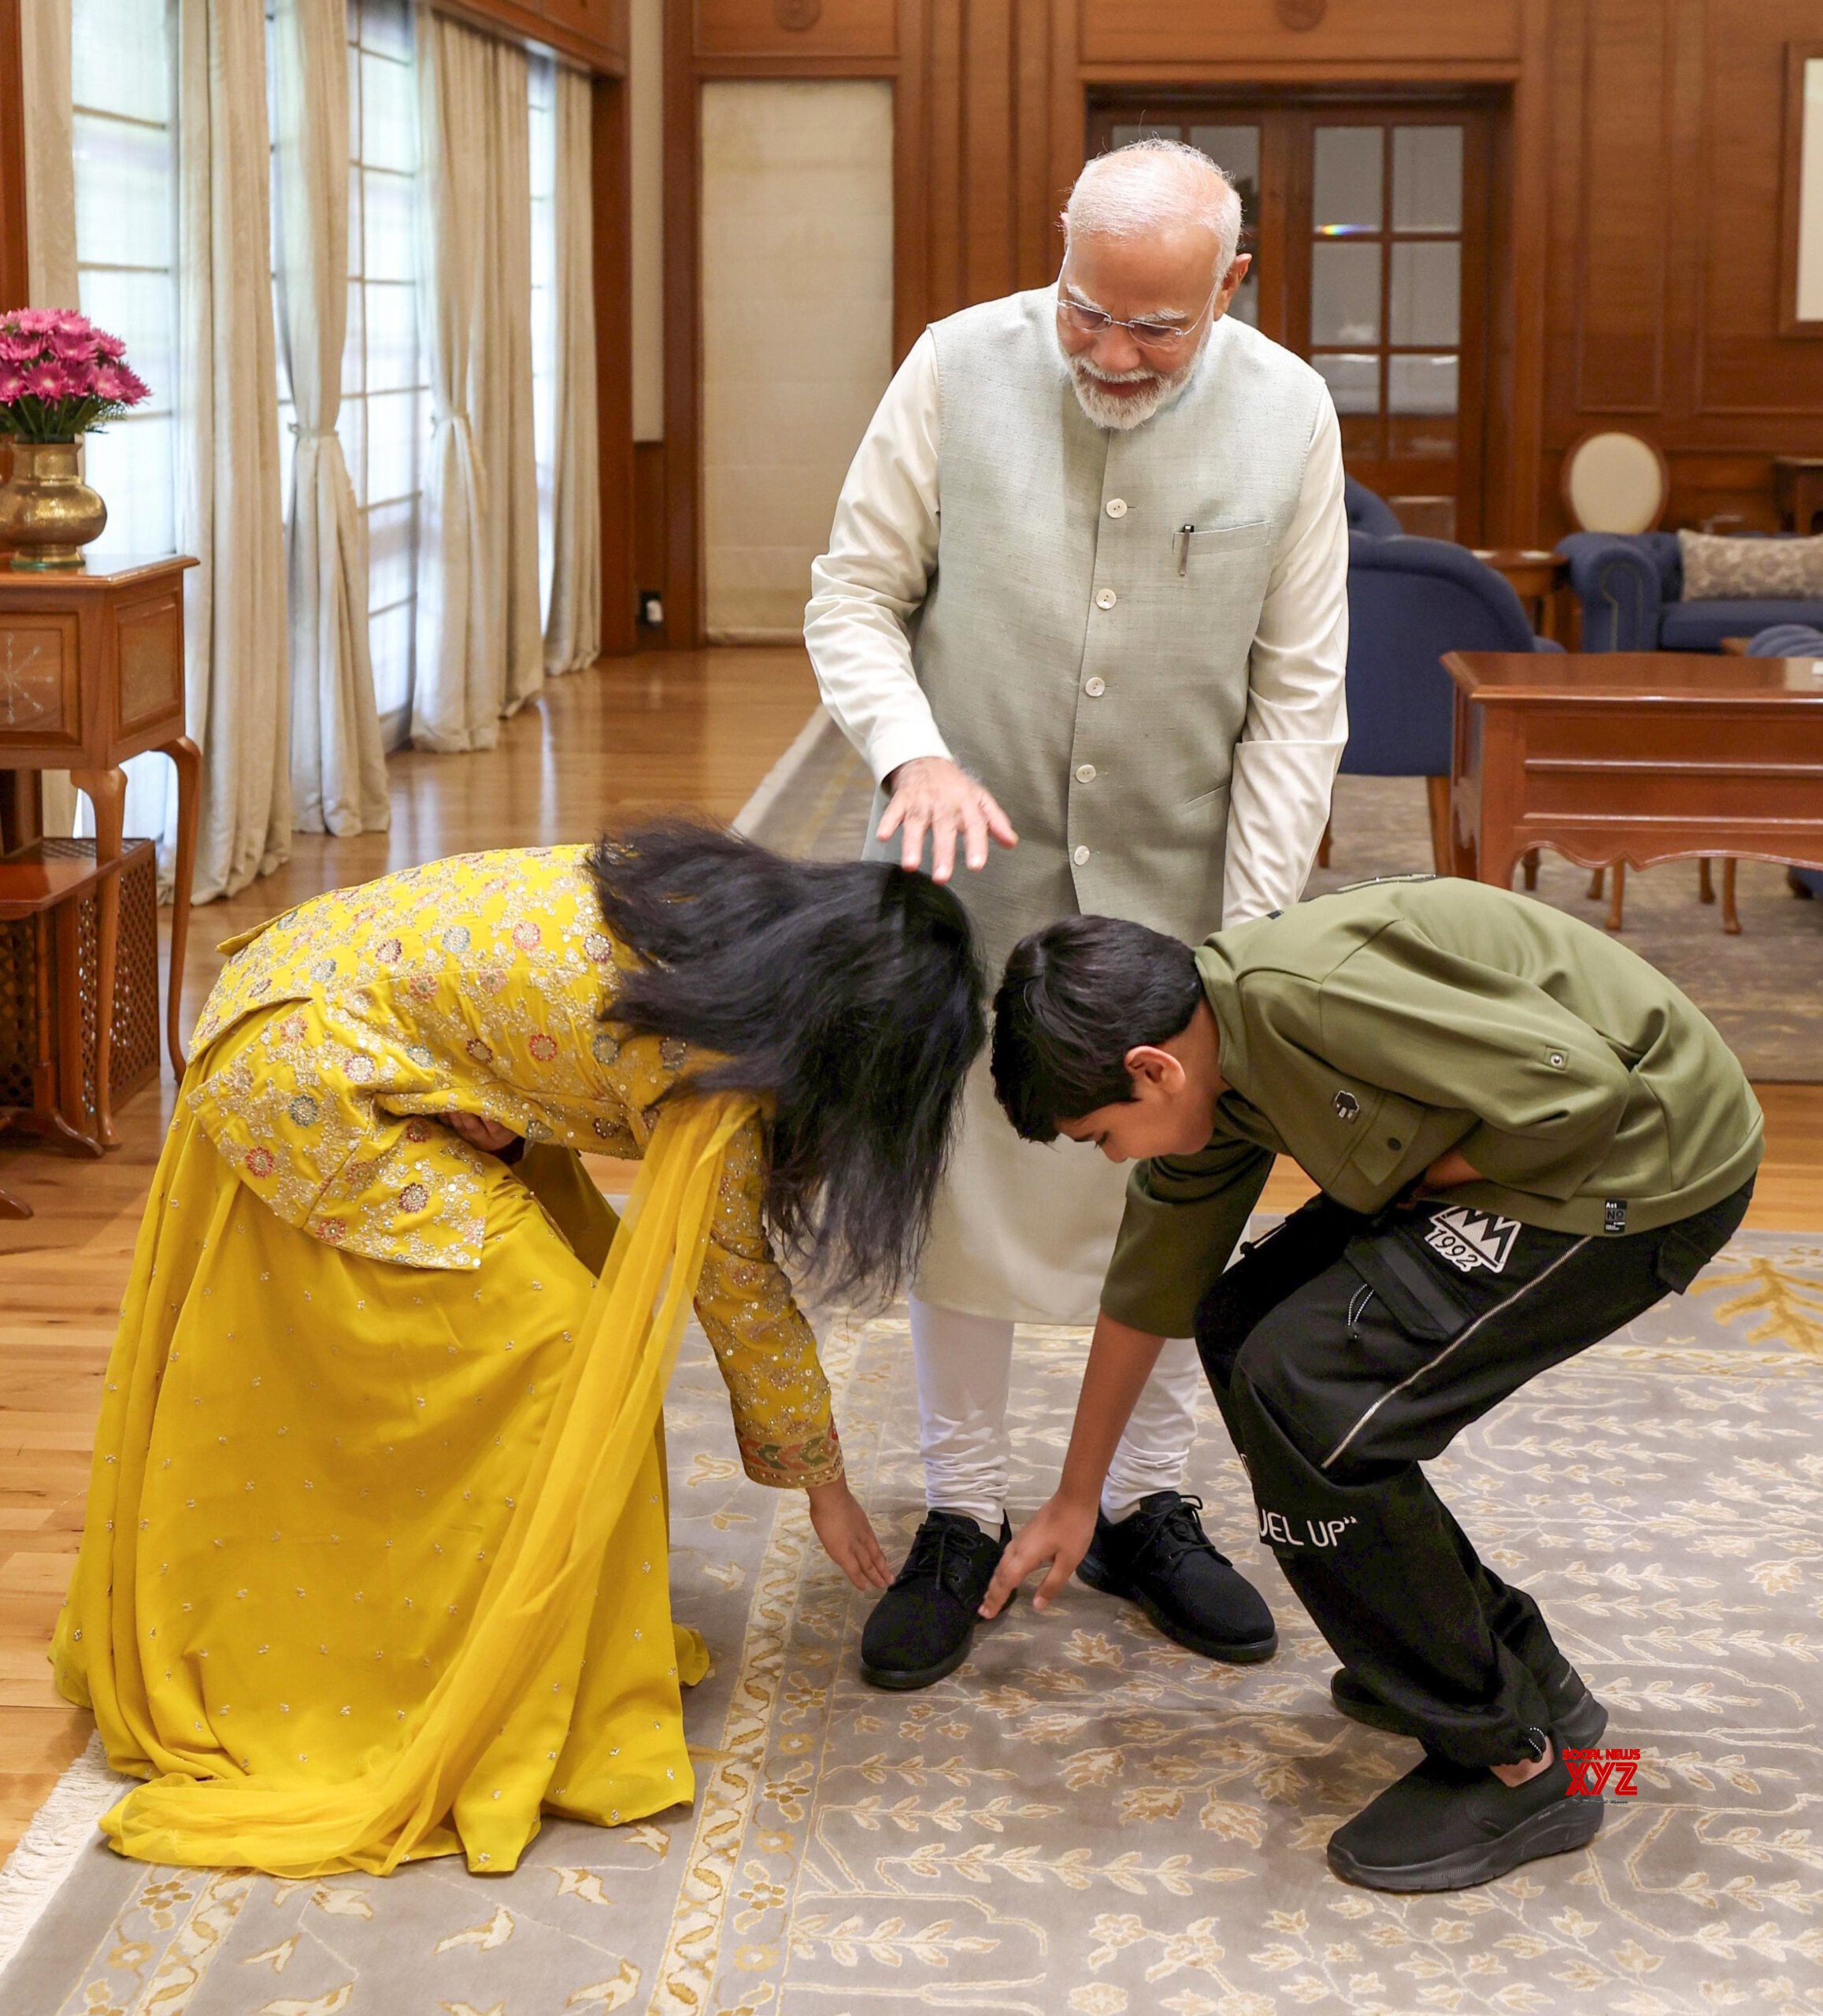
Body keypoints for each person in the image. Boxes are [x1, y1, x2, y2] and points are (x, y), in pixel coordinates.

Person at [53, 825, 984, 1877]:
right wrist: (823, 1480)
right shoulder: (706, 1059)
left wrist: (464, 1071)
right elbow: (737, 1285)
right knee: (565, 1348)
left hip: (321, 985)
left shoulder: (718, 917)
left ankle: (491, 1624)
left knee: (577, 1276)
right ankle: (442, 1662)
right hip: (305, 1067)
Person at [806, 135, 1347, 1688]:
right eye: (1088, 310)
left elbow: (1300, 695)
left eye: (1157, 327)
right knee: (960, 1185)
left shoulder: (1291, 410)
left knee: (1178, 1196)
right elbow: (853, 595)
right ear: (1061, 257)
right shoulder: (954, 365)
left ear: (1229, 287)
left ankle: (1145, 1501)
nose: (1113, 353)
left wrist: (1247, 943)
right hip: (964, 874)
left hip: (1186, 883)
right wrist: (912, 749)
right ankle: (963, 1509)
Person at [980, 876, 1760, 1892]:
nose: (1108, 1157)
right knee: (1241, 1328)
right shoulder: (1214, 1053)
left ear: (1151, 1069)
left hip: (1635, 1168)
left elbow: (1578, 1097)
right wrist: (1079, 1493)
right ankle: (1521, 1673)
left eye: (1100, 1136)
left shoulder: (1314, 998)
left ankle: (1517, 1763)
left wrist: (1432, 1183)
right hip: (1532, 1142)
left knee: (1309, 1389)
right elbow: (1155, 1288)